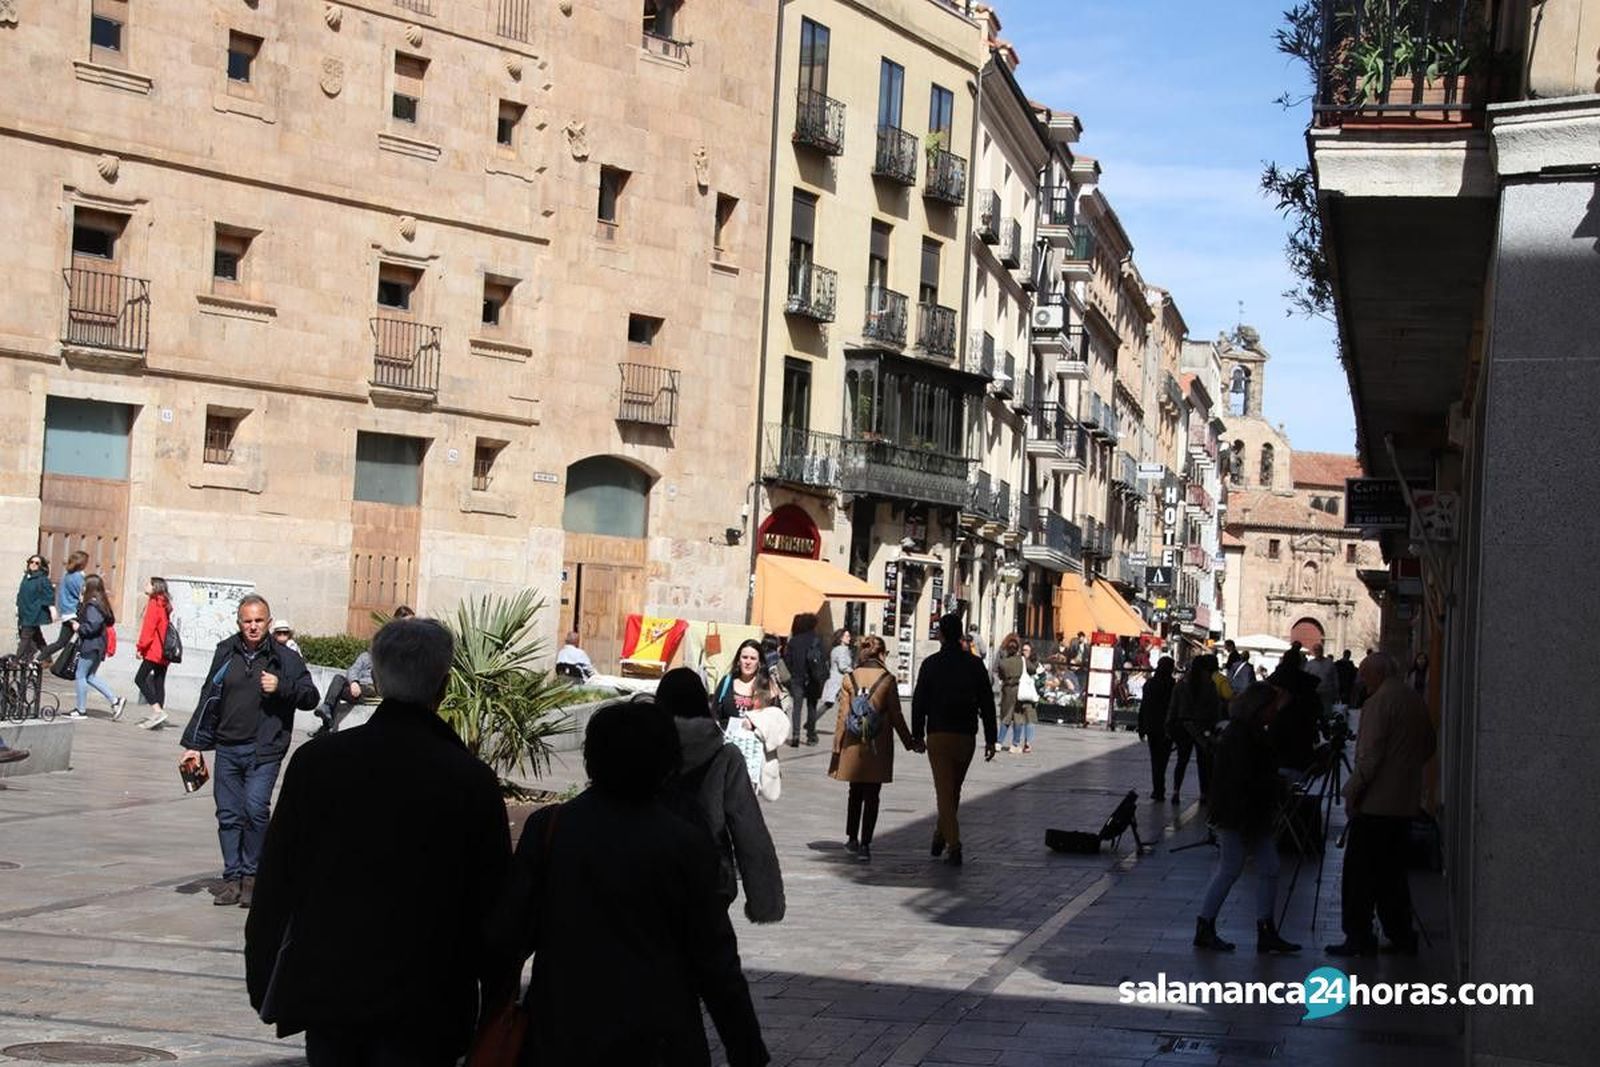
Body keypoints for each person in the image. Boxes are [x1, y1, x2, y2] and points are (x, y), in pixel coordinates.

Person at [244, 617, 511, 1066]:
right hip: (430, 994)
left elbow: (277, 879)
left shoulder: (318, 764)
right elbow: (493, 900)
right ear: (443, 685)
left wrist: (263, 972)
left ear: (379, 680)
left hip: (335, 988)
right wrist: (496, 997)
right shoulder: (470, 781)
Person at [485, 701, 771, 1067]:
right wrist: (746, 1048)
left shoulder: (551, 829)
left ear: (592, 759)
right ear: (667, 764)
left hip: (563, 1033)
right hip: (658, 1038)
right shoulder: (685, 843)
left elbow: (509, 934)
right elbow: (715, 959)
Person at [179, 595, 320, 907]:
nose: (253, 626)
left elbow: (311, 697)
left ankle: (253, 877)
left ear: (268, 623)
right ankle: (232, 879)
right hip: (228, 747)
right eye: (247, 621)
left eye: (259, 621)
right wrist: (194, 745)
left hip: (264, 749)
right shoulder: (226, 652)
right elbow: (209, 698)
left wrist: (282, 685)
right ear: (239, 623)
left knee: (255, 809)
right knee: (228, 815)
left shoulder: (285, 659)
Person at [1328, 652, 1437, 957]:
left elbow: (1370, 756)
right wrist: (1406, 771)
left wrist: (1352, 791)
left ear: (1376, 675)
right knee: (1392, 875)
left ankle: (1359, 936)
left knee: (1360, 875)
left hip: (1376, 805)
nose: (1360, 680)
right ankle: (1401, 935)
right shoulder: (1413, 699)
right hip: (1404, 803)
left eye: (1364, 674)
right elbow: (1429, 743)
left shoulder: (1378, 703)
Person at [657, 668, 785, 919]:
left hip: (649, 870)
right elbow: (748, 828)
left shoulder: (645, 751)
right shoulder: (725, 756)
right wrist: (765, 901)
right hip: (708, 874)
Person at [1193, 684, 1301, 954]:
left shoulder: (1247, 732)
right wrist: (1277, 783)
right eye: (1272, 707)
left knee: (1267, 866)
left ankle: (1264, 928)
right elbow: (1242, 777)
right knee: (1232, 868)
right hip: (1240, 814)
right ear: (1259, 707)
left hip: (1248, 812)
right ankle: (1207, 925)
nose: (1275, 712)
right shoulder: (1242, 735)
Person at [911, 614, 997, 867]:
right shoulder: (974, 665)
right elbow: (987, 703)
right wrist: (991, 738)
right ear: (960, 633)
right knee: (953, 790)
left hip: (939, 733)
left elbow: (919, 702)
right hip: (966, 736)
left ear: (941, 634)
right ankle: (940, 835)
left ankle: (954, 845)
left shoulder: (930, 664)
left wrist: (917, 734)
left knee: (945, 792)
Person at [829, 635, 919, 861]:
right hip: (877, 743)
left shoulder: (850, 677)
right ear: (881, 654)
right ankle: (866, 844)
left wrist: (837, 747)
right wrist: (910, 742)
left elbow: (842, 716)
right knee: (872, 795)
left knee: (854, 792)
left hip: (853, 742)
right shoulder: (887, 679)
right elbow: (897, 715)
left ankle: (851, 838)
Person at [311, 605, 415, 737]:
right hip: (360, 690)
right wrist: (354, 682)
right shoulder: (366, 656)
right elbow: (353, 670)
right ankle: (326, 715)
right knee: (338, 682)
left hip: (375, 690)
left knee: (339, 691)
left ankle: (326, 726)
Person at [713, 640, 789, 801]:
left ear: (759, 662)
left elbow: (779, 720)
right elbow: (714, 714)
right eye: (744, 657)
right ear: (738, 659)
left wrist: (756, 722)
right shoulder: (727, 682)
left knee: (745, 804)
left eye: (752, 658)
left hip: (754, 755)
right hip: (728, 752)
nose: (747, 662)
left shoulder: (767, 686)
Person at [68, 574, 125, 722]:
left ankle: (81, 710)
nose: (83, 588)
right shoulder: (100, 603)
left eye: (85, 585)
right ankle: (115, 701)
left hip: (91, 644)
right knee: (90, 676)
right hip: (98, 644)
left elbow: (92, 625)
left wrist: (79, 627)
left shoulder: (93, 605)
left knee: (80, 675)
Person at [1166, 655, 1221, 805]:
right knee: (1203, 762)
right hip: (1202, 728)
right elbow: (1214, 709)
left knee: (1181, 761)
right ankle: (1204, 793)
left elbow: (1173, 707)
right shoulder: (1209, 685)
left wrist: (1169, 725)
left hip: (1184, 726)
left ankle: (1176, 791)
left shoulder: (1182, 684)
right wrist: (1213, 727)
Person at [1267, 649, 1322, 773]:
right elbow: (1316, 707)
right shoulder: (1307, 683)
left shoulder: (1276, 680)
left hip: (1279, 733)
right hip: (1303, 735)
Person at [132, 577, 173, 730]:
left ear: (155, 587)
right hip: (164, 651)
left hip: (154, 650)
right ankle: (159, 717)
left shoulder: (154, 603)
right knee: (158, 682)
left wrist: (140, 648)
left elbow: (148, 630)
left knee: (140, 678)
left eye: (149, 583)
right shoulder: (164, 603)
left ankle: (157, 711)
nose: (146, 585)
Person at [782, 613, 827, 747]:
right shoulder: (816, 639)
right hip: (813, 678)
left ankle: (795, 736)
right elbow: (823, 658)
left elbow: (787, 660)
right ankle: (811, 736)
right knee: (812, 707)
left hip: (797, 678)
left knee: (797, 707)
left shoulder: (793, 641)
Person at [37, 549, 88, 665]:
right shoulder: (77, 577)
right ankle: (42, 658)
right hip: (74, 612)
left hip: (67, 612)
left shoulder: (67, 575)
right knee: (67, 641)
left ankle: (43, 657)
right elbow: (82, 593)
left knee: (62, 641)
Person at [1138, 656, 1176, 801]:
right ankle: (1159, 788)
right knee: (1163, 760)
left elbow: (1144, 706)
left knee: (1155, 759)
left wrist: (1141, 727)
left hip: (1152, 727)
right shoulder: (1172, 686)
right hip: (1166, 727)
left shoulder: (1150, 684)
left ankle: (1158, 789)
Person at [15, 554, 54, 663]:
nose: (33, 564)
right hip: (24, 612)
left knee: (25, 637)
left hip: (34, 613)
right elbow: (21, 594)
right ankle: (48, 658)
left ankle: (16, 660)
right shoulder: (26, 577)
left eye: (37, 563)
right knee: (37, 637)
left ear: (41, 566)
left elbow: (49, 595)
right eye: (31, 562)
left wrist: (52, 609)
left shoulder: (42, 579)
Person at [993, 634, 1027, 754]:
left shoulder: (1003, 663)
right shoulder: (1022, 661)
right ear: (1018, 649)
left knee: (1005, 717)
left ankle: (999, 742)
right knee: (1018, 717)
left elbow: (999, 674)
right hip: (1019, 691)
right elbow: (1033, 669)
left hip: (1007, 690)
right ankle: (1015, 744)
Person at [818, 628, 855, 718]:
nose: (849, 638)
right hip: (839, 681)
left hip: (834, 679)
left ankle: (811, 721)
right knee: (848, 703)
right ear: (841, 638)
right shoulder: (842, 650)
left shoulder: (835, 649)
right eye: (847, 636)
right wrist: (853, 671)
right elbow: (842, 666)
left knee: (829, 704)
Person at [1306, 644, 1338, 714]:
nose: (1317, 652)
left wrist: (1336, 692)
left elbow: (1335, 678)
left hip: (1327, 692)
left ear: (1322, 651)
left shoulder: (1330, 663)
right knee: (1313, 712)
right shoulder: (1309, 664)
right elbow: (1305, 679)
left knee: (1326, 712)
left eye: (1319, 650)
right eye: (1315, 650)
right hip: (1314, 693)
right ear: (1313, 651)